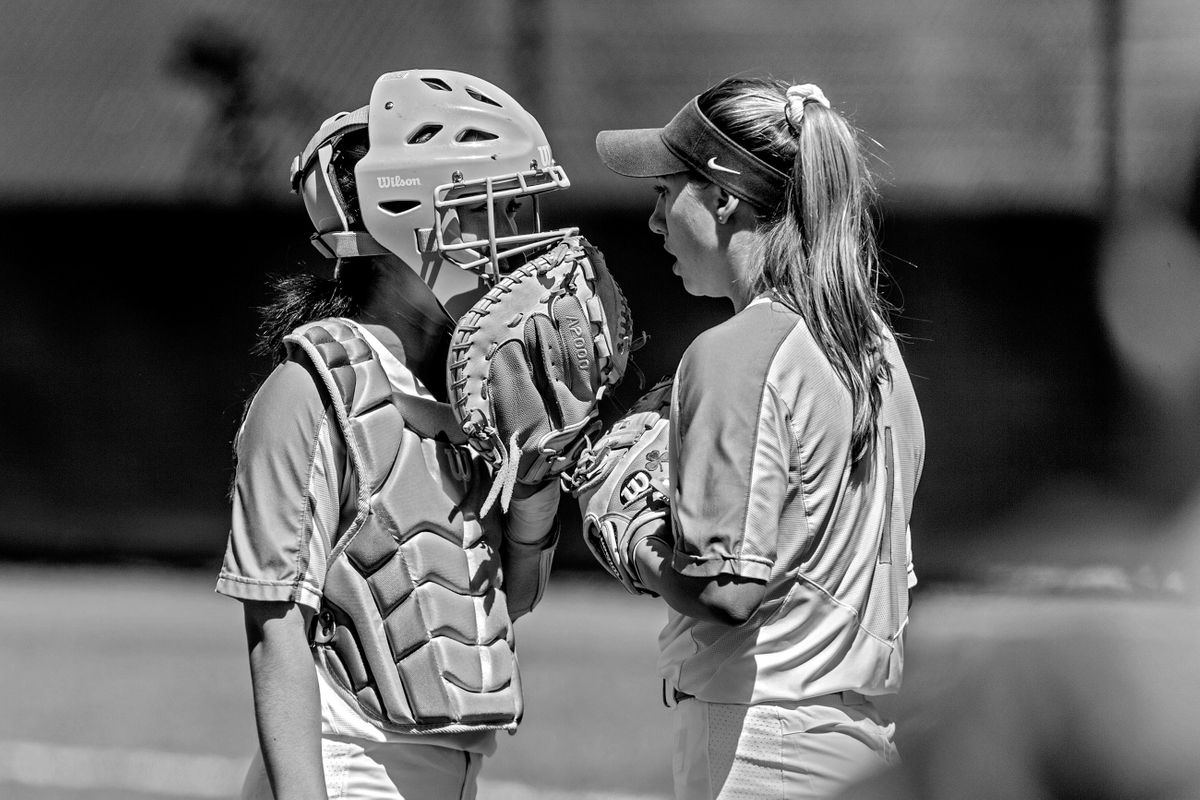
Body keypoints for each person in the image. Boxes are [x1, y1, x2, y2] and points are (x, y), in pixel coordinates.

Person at [215, 69, 572, 800]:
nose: (518, 241)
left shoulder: (474, 388)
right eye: (494, 208)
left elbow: (495, 608)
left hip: (447, 772)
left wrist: (539, 483)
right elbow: (274, 624)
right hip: (348, 768)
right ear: (411, 218)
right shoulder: (310, 391)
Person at [593, 75, 925, 799]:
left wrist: (635, 542)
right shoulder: (877, 353)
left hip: (759, 745)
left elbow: (727, 590)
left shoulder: (736, 351)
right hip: (858, 743)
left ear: (723, 197)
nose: (654, 221)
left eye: (665, 191)